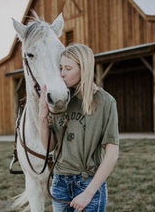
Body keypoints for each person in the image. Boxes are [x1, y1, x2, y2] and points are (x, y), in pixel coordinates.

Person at [39, 44, 119, 212]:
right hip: (59, 183)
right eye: (61, 67)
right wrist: (42, 117)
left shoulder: (106, 102)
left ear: (84, 68)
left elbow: (112, 153)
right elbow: (50, 147)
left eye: (68, 68)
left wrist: (88, 194)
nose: (62, 73)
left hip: (88, 182)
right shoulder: (61, 99)